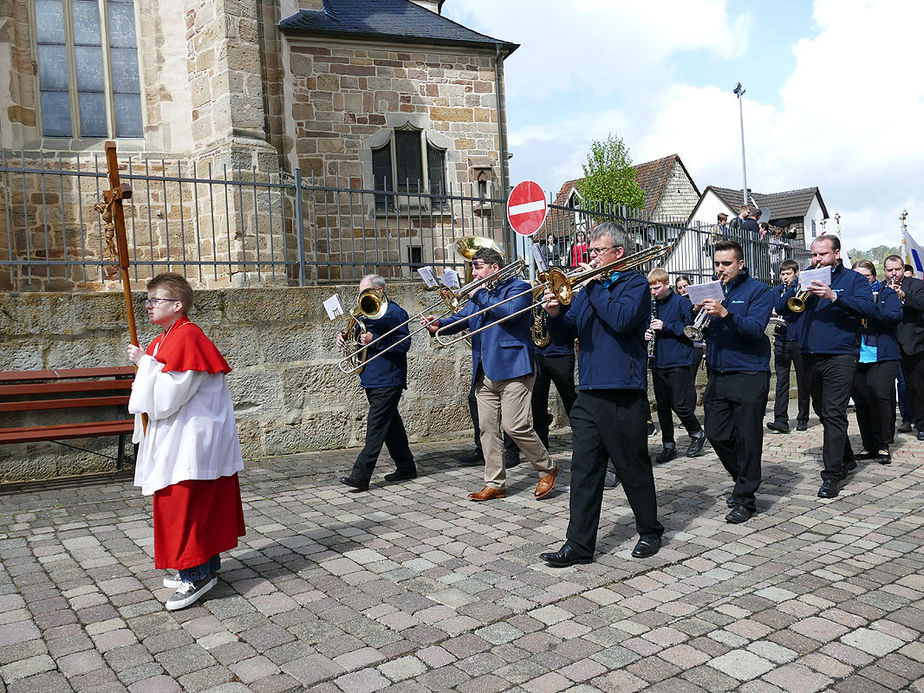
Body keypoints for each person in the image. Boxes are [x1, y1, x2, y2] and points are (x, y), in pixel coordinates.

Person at [539, 222, 663, 566]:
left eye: (597, 251)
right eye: (590, 251)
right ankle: (578, 544)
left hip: (623, 390)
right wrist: (554, 314)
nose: (590, 257)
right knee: (584, 471)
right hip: (590, 392)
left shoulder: (634, 285)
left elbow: (621, 319)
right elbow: (567, 333)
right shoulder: (591, 291)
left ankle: (650, 529)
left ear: (617, 253)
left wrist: (593, 285)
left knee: (632, 467)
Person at [127, 272, 245, 611]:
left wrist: (145, 364)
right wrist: (148, 361)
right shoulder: (165, 338)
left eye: (156, 300)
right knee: (193, 503)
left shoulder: (187, 337)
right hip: (179, 435)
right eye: (147, 300)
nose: (148, 306)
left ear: (177, 305)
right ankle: (205, 567)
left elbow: (167, 398)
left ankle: (195, 575)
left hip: (192, 437)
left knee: (186, 506)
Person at [423, 248, 558, 501]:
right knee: (487, 429)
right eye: (473, 267)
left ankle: (547, 468)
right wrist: (439, 325)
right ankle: (495, 483)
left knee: (515, 426)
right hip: (484, 371)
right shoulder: (480, 294)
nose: (473, 273)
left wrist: (481, 294)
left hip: (515, 368)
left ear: (494, 268)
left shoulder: (519, 287)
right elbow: (465, 318)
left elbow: (509, 313)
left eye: (478, 267)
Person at [777, 235, 875, 498]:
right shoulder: (806, 277)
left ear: (837, 253)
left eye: (823, 254)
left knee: (833, 412)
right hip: (809, 354)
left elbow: (868, 308)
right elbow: (783, 309)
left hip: (841, 354)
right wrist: (792, 288)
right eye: (814, 255)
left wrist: (834, 297)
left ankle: (832, 475)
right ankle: (846, 457)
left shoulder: (853, 280)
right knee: (821, 409)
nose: (817, 259)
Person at [700, 240, 772, 523]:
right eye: (717, 263)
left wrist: (726, 314)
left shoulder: (759, 291)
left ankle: (745, 498)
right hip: (718, 373)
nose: (720, 269)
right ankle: (743, 478)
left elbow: (755, 330)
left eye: (726, 264)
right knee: (716, 434)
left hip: (749, 373)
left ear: (740, 264)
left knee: (748, 437)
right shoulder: (715, 290)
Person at [338, 275, 417, 491]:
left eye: (365, 291)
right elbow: (356, 339)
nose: (361, 296)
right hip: (371, 377)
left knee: (376, 426)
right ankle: (406, 466)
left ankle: (361, 475)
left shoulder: (395, 313)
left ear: (379, 291)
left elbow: (404, 344)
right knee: (391, 424)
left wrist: (376, 340)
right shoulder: (363, 312)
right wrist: (344, 337)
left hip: (388, 377)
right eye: (360, 292)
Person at [645, 268, 706, 463]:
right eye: (651, 288)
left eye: (657, 288)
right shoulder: (652, 304)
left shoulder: (681, 302)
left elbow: (691, 330)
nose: (654, 292)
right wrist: (645, 334)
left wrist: (666, 326)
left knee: (679, 404)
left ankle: (697, 433)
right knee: (662, 405)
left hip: (679, 358)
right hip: (659, 359)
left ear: (666, 284)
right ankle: (668, 445)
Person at [850, 261, 902, 463]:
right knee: (861, 402)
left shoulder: (885, 293)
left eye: (866, 276)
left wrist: (870, 308)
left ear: (873, 276)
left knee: (880, 398)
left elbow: (895, 316)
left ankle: (882, 445)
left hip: (883, 355)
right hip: (857, 354)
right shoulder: (851, 296)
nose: (862, 280)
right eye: (857, 277)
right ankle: (868, 445)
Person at [883, 255, 924, 441]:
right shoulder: (881, 287)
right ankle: (889, 429)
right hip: (889, 344)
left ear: (902, 268)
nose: (894, 273)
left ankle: (921, 425)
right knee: (889, 390)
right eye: (890, 270)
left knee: (916, 387)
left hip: (912, 344)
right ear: (885, 271)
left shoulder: (915, 285)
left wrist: (904, 296)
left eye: (897, 269)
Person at [767, 260, 810, 433]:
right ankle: (780, 420)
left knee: (803, 381)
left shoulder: (803, 290)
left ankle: (803, 418)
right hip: (782, 339)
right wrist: (790, 290)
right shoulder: (777, 290)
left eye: (789, 274)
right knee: (781, 382)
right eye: (783, 274)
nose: (785, 277)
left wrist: (795, 288)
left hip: (799, 340)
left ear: (796, 274)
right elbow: (779, 306)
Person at [675, 275, 704, 396]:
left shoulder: (697, 300)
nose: (683, 290)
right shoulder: (677, 301)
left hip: (696, 344)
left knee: (689, 380)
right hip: (681, 344)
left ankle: (690, 411)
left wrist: (696, 308)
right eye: (680, 288)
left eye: (685, 286)